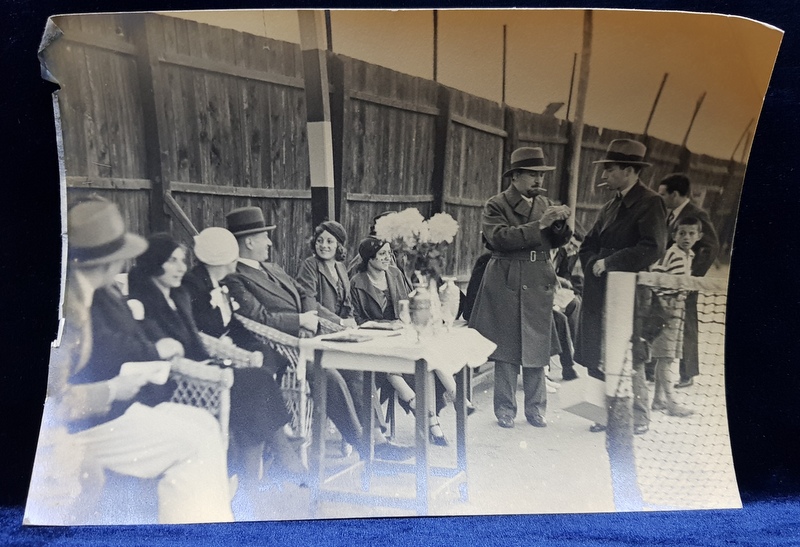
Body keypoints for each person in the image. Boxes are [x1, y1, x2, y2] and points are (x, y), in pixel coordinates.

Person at [25, 198, 233, 525]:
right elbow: (50, 404)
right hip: (73, 429)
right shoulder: (68, 310)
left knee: (203, 425)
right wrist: (111, 390)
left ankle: (205, 508)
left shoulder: (92, 291)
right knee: (196, 444)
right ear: (109, 262)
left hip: (100, 414)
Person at [222, 207, 411, 461]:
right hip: (284, 348)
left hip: (312, 335)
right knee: (328, 375)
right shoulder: (236, 277)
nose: (269, 242)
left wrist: (313, 320)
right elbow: (259, 319)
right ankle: (367, 449)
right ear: (249, 241)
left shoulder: (273, 268)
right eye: (265, 237)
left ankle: (377, 439)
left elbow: (303, 294)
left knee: (356, 367)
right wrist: (300, 321)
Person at [180, 227, 300, 505]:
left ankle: (260, 473)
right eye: (232, 256)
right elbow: (200, 333)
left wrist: (254, 348)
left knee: (268, 360)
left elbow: (234, 324)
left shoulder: (219, 281)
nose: (236, 262)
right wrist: (235, 351)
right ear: (220, 258)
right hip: (208, 364)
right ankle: (282, 454)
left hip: (231, 358)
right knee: (256, 384)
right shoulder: (193, 285)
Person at [468, 146, 572, 429]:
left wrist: (562, 225)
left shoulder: (544, 203)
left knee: (537, 345)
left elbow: (557, 241)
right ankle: (504, 409)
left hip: (538, 277)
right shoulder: (496, 205)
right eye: (531, 175)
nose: (538, 181)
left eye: (540, 175)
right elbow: (499, 239)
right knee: (506, 348)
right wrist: (543, 224)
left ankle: (536, 410)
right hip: (506, 277)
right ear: (514, 176)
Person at [575, 139, 668, 435]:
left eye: (610, 169)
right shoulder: (610, 205)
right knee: (597, 349)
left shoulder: (651, 202)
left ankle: (638, 416)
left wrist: (612, 263)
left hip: (630, 292)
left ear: (629, 170)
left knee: (631, 348)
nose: (604, 176)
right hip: (600, 288)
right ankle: (602, 414)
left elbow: (653, 247)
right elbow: (589, 244)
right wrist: (595, 264)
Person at [350, 237, 450, 446]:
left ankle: (431, 420)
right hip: (374, 338)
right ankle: (424, 414)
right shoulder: (357, 282)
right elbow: (357, 319)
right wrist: (384, 325)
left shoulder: (395, 274)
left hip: (401, 333)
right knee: (389, 362)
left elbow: (408, 303)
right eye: (383, 255)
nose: (389, 258)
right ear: (370, 258)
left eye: (389, 254)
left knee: (425, 363)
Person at [657, 173, 720, 388]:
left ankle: (687, 373)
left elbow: (711, 246)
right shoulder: (670, 215)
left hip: (687, 281)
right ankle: (655, 369)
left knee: (687, 324)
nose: (661, 198)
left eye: (663, 194)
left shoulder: (696, 213)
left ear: (675, 194)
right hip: (668, 279)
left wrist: (692, 276)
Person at [648, 217, 703, 417]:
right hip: (666, 314)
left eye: (691, 233)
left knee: (666, 358)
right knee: (666, 358)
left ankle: (658, 399)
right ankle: (671, 402)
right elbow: (654, 278)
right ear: (674, 235)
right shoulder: (673, 254)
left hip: (678, 312)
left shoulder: (688, 255)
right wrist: (664, 303)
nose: (686, 237)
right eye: (681, 233)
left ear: (699, 236)